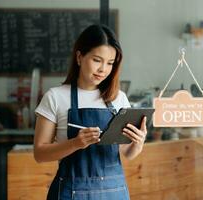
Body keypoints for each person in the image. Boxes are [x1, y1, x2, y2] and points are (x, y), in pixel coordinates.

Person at [34, 24, 147, 200]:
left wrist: (137, 143)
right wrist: (75, 143)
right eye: (97, 60)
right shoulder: (55, 97)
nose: (103, 69)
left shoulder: (119, 98)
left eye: (110, 63)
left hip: (114, 192)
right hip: (70, 193)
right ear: (79, 57)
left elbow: (127, 153)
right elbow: (39, 154)